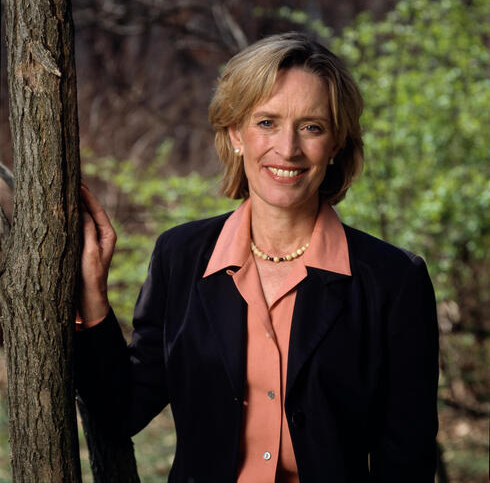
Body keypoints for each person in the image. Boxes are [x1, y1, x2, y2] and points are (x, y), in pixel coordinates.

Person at [76, 32, 439, 483]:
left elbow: (407, 459)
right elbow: (121, 410)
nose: (287, 149)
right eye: (267, 122)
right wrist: (92, 297)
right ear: (235, 134)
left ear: (336, 145)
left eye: (312, 127)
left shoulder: (392, 280)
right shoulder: (180, 256)